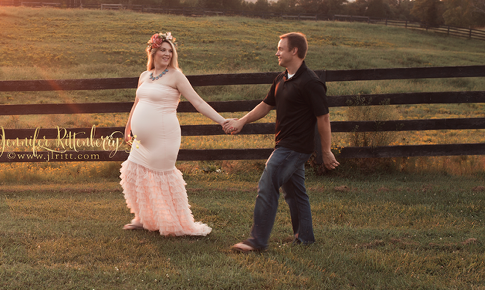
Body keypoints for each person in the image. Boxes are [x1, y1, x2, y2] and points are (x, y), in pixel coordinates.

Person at [223, 32, 339, 252]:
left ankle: (257, 241)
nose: (277, 52)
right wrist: (242, 121)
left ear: (294, 51)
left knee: (268, 184)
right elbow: (266, 105)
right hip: (283, 144)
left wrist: (326, 151)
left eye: (280, 48)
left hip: (295, 148)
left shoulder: (311, 82)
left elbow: (323, 118)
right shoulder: (281, 78)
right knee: (295, 192)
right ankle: (305, 238)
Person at [120, 32, 229, 236]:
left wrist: (222, 121)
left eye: (170, 51)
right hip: (141, 141)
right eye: (163, 49)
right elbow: (137, 103)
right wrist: (128, 128)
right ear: (153, 50)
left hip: (164, 136)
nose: (167, 54)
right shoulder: (144, 76)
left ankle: (173, 224)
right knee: (134, 173)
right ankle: (143, 218)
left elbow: (198, 102)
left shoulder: (176, 76)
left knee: (161, 179)